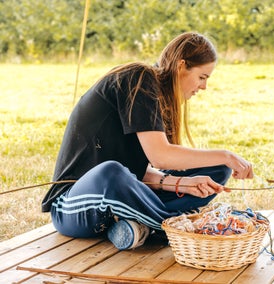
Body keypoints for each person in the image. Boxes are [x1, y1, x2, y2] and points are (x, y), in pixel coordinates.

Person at [41, 32, 253, 250]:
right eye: (202, 77)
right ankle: (176, 226)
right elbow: (159, 157)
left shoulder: (160, 97)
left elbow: (137, 173)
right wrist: (227, 155)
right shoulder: (139, 78)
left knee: (217, 169)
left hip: (119, 198)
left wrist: (184, 183)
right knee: (111, 172)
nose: (204, 87)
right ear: (181, 66)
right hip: (74, 205)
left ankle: (140, 226)